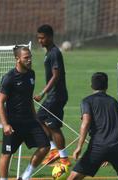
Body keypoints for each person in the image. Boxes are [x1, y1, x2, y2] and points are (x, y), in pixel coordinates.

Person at [0, 46, 50, 180]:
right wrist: (5, 124)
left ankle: (25, 177)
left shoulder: (31, 74)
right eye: (26, 58)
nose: (29, 60)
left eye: (30, 57)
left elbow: (28, 98)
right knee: (6, 153)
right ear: (17, 59)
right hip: (13, 124)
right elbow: (0, 102)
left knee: (45, 146)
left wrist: (36, 117)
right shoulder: (8, 78)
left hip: (30, 121)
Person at [67, 72, 118, 180]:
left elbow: (86, 122)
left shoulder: (87, 101)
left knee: (73, 177)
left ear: (91, 85)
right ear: (106, 86)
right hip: (117, 147)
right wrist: (110, 151)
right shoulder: (114, 103)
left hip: (98, 147)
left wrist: (79, 147)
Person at [34, 24, 70, 166]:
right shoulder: (49, 52)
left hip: (56, 95)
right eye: (38, 38)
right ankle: (56, 152)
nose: (40, 40)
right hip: (54, 95)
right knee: (41, 120)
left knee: (52, 125)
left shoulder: (54, 53)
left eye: (42, 38)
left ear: (49, 37)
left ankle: (63, 158)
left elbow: (56, 75)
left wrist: (43, 93)